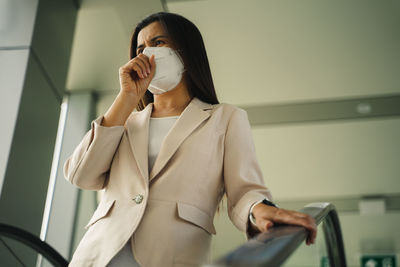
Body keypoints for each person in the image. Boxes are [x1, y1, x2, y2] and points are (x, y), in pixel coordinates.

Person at [63, 12, 317, 267]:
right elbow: (80, 175)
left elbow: (244, 192)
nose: (146, 53)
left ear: (186, 51)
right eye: (140, 48)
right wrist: (126, 98)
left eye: (158, 42)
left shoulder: (225, 118)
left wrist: (261, 211)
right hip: (98, 256)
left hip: (174, 256)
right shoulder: (123, 122)